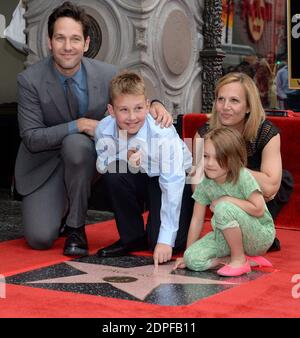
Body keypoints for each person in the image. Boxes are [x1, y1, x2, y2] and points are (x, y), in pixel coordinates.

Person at [14, 1, 172, 257]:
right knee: (40, 238)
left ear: (86, 44)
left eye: (75, 39)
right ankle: (62, 206)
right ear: (49, 42)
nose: (68, 47)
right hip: (43, 163)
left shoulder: (107, 74)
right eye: (60, 38)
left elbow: (131, 97)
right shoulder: (29, 80)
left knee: (76, 146)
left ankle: (76, 228)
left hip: (88, 158)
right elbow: (31, 138)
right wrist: (79, 124)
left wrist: (155, 104)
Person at [94, 71, 194, 267]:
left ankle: (164, 230)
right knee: (114, 174)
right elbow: (102, 164)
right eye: (123, 110)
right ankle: (132, 237)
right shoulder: (103, 129)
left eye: (138, 108)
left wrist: (165, 240)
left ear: (148, 106)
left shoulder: (162, 132)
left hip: (177, 180)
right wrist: (125, 156)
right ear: (111, 110)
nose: (132, 117)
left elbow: (172, 183)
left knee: (170, 242)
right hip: (140, 177)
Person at [192, 72, 294, 252]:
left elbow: (271, 187)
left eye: (234, 101)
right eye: (221, 99)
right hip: (221, 197)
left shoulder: (266, 132)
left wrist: (227, 167)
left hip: (257, 203)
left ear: (248, 107)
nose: (225, 107)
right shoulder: (203, 134)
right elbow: (197, 185)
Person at [174, 127, 275, 277]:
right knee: (192, 260)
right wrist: (187, 253)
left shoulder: (242, 176)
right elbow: (197, 219)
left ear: (233, 158)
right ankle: (238, 259)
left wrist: (227, 200)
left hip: (258, 235)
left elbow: (259, 209)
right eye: (206, 156)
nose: (209, 163)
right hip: (225, 237)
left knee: (223, 207)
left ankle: (239, 259)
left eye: (218, 157)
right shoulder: (205, 182)